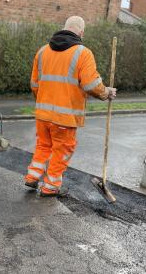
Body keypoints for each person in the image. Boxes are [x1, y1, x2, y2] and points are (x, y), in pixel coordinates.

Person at [24, 16, 117, 197]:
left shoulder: (42, 52)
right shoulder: (83, 53)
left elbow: (34, 84)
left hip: (43, 115)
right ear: (81, 33)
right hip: (65, 118)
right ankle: (50, 187)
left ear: (64, 28)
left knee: (43, 146)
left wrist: (44, 102)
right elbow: (91, 84)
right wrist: (106, 92)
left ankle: (32, 177)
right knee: (61, 151)